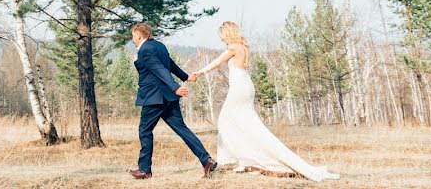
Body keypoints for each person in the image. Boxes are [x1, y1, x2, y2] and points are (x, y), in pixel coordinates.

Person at [193, 21, 339, 181]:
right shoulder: (243, 47)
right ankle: (245, 160)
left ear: (227, 34)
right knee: (241, 124)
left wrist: (199, 73)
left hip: (239, 89)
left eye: (222, 36)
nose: (222, 39)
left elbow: (218, 62)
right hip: (246, 86)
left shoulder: (234, 47)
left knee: (227, 121)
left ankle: (236, 159)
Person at [128, 22, 217, 180]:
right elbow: (170, 64)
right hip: (168, 97)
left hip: (154, 98)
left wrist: (175, 87)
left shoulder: (146, 49)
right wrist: (186, 77)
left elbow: (159, 68)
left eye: (133, 36)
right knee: (182, 129)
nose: (132, 39)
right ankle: (206, 160)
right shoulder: (159, 46)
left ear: (139, 35)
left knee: (145, 131)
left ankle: (144, 170)